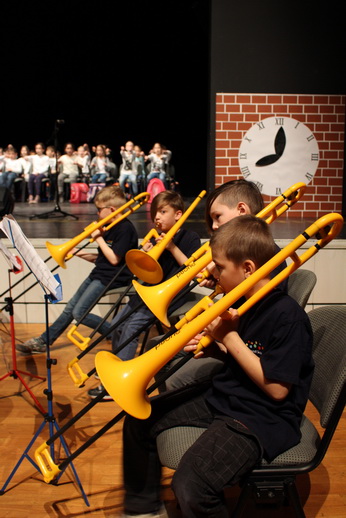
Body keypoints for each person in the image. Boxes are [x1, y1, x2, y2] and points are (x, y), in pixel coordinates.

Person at [120, 215, 314, 518]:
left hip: (262, 418)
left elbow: (277, 390)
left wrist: (230, 338)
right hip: (228, 393)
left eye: (220, 267)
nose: (213, 272)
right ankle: (142, 509)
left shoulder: (287, 317)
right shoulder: (244, 300)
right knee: (139, 421)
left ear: (248, 268)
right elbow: (249, 357)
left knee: (190, 484)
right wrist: (219, 350)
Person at [150, 179, 288, 392]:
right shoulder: (236, 255)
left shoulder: (272, 258)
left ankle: (174, 411)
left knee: (175, 379)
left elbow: (256, 314)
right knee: (155, 346)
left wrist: (218, 340)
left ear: (242, 210)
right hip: (224, 337)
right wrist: (220, 281)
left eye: (217, 216)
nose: (213, 226)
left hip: (241, 347)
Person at [88, 190, 201, 400]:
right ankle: (115, 367)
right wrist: (146, 253)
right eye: (155, 213)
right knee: (118, 322)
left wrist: (172, 246)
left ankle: (120, 381)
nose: (156, 217)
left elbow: (193, 268)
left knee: (132, 327)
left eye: (162, 211)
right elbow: (142, 271)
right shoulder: (157, 237)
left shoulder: (189, 237)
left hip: (171, 296)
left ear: (178, 214)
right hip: (149, 291)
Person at [16, 185, 138, 354]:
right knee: (70, 308)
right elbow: (102, 259)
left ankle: (114, 330)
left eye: (99, 209)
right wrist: (78, 252)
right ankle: (44, 341)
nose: (97, 213)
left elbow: (115, 259)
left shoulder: (125, 229)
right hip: (100, 274)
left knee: (79, 313)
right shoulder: (109, 227)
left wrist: (98, 239)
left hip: (113, 277)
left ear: (111, 209)